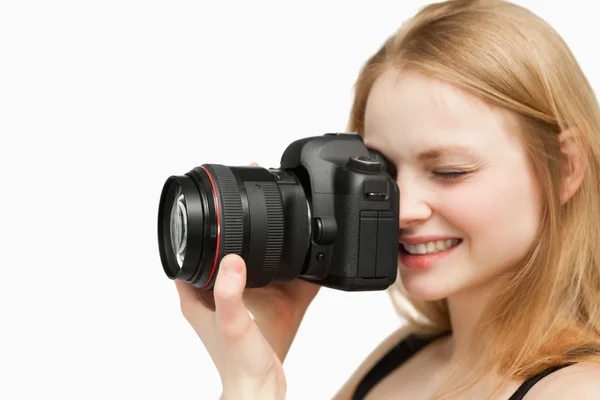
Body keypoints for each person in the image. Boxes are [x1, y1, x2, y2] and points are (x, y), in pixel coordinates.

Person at [174, 0, 600, 398]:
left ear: (567, 168)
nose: (403, 209)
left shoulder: (577, 390)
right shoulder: (400, 357)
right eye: (384, 173)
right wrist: (256, 370)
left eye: (450, 171)